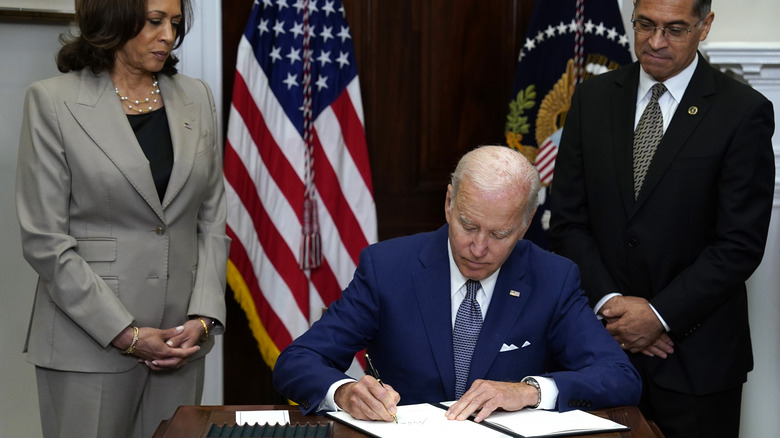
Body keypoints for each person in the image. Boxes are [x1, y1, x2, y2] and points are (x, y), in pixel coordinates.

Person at [273, 145, 641, 423]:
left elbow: (621, 377)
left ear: (526, 224)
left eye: (499, 233)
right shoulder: (387, 268)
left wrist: (530, 391)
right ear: (449, 203)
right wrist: (345, 392)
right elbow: (297, 361)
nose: (478, 248)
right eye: (468, 225)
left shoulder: (552, 278)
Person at [549, 0, 775, 436]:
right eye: (645, 25)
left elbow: (739, 244)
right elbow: (568, 222)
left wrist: (657, 315)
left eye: (675, 29)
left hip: (696, 361)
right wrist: (612, 306)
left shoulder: (742, 111)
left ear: (705, 25)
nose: (655, 42)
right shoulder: (592, 98)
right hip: (599, 347)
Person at [15, 1, 230, 437]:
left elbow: (210, 220)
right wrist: (124, 333)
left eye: (174, 23)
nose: (168, 36)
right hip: (88, 343)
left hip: (179, 342)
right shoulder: (52, 101)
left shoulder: (197, 97)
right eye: (154, 22)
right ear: (113, 20)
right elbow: (45, 241)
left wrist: (204, 317)